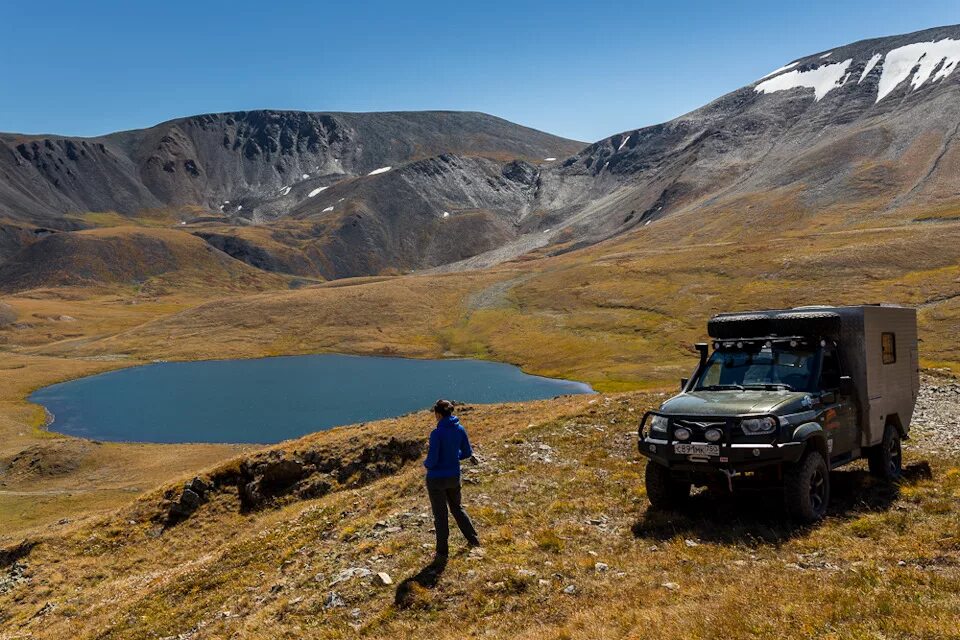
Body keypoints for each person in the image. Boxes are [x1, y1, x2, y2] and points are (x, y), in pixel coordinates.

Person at [423, 399, 480, 557]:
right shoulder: (459, 429)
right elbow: (467, 452)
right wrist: (453, 457)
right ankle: (473, 539)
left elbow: (432, 460)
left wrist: (426, 464)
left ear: (438, 414)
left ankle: (442, 551)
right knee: (457, 508)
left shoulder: (436, 434)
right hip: (454, 476)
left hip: (436, 479)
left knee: (440, 515)